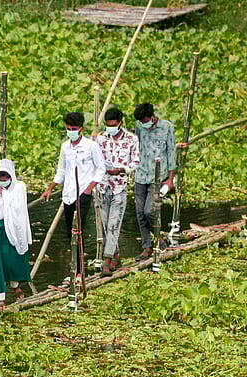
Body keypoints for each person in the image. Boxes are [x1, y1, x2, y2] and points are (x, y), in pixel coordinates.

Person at [40, 111, 106, 287]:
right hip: (68, 195)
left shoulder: (91, 146)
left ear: (81, 129)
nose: (71, 131)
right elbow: (61, 171)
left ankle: (79, 272)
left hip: (82, 194)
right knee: (70, 234)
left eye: (74, 129)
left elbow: (100, 169)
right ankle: (74, 269)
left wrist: (89, 189)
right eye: (68, 129)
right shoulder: (65, 147)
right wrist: (50, 189)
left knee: (79, 232)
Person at [95, 106, 140, 273]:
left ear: (120, 123)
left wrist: (121, 170)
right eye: (108, 125)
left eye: (113, 125)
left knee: (114, 223)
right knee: (106, 224)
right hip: (103, 185)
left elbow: (135, 162)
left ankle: (106, 261)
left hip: (119, 186)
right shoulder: (100, 139)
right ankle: (115, 256)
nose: (110, 128)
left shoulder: (131, 139)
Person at [133, 102, 177, 260]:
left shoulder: (167, 127)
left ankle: (158, 238)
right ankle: (146, 246)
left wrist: (170, 179)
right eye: (141, 122)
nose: (144, 124)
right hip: (140, 174)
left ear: (152, 116)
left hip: (158, 176)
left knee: (149, 211)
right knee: (139, 213)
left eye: (145, 121)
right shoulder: (138, 126)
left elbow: (172, 153)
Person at [0, 159, 32, 300]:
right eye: (0, 177)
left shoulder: (19, 187)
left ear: (11, 177)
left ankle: (16, 287)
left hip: (14, 229)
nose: (2, 180)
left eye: (5, 177)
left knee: (14, 260)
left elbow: (18, 207)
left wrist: (5, 194)